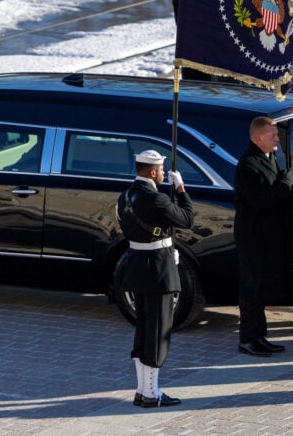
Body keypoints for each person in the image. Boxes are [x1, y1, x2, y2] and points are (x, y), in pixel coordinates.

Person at [117, 150, 195, 408]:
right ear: (152, 172)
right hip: (158, 271)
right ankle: (151, 393)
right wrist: (181, 189)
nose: (163, 174)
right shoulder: (156, 200)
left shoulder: (125, 196)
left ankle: (143, 390)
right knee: (158, 333)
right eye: (161, 171)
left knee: (143, 331)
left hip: (137, 266)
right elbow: (187, 219)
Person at [234, 116, 293, 357]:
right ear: (257, 138)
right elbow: (262, 200)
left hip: (268, 234)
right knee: (251, 289)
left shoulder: (269, 157)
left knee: (260, 288)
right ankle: (247, 339)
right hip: (253, 236)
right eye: (272, 134)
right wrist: (288, 179)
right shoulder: (248, 165)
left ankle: (259, 335)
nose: (277, 138)